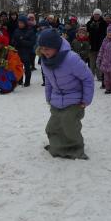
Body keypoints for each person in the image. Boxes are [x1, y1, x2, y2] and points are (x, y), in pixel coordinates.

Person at [39, 29, 94, 160]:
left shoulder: (71, 59)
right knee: (52, 127)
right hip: (57, 98)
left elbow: (87, 78)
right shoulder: (45, 61)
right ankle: (57, 146)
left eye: (48, 48)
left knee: (69, 124)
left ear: (56, 47)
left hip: (75, 98)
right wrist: (49, 97)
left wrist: (86, 99)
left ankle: (75, 149)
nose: (45, 52)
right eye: (42, 48)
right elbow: (48, 81)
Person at [11, 15, 36, 87]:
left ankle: (27, 82)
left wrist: (22, 41)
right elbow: (13, 40)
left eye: (22, 23)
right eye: (19, 23)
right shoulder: (16, 30)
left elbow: (32, 43)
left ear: (25, 23)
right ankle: (20, 80)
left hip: (27, 52)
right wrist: (15, 42)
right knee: (19, 67)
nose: (20, 24)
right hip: (18, 52)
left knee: (27, 68)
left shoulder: (30, 31)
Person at [86, 8, 108, 81]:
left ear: (100, 15)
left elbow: (105, 34)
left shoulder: (104, 23)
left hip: (100, 45)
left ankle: (100, 76)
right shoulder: (89, 23)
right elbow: (87, 33)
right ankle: (90, 76)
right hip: (91, 45)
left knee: (99, 61)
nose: (96, 16)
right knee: (92, 62)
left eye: (98, 14)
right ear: (93, 14)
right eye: (95, 14)